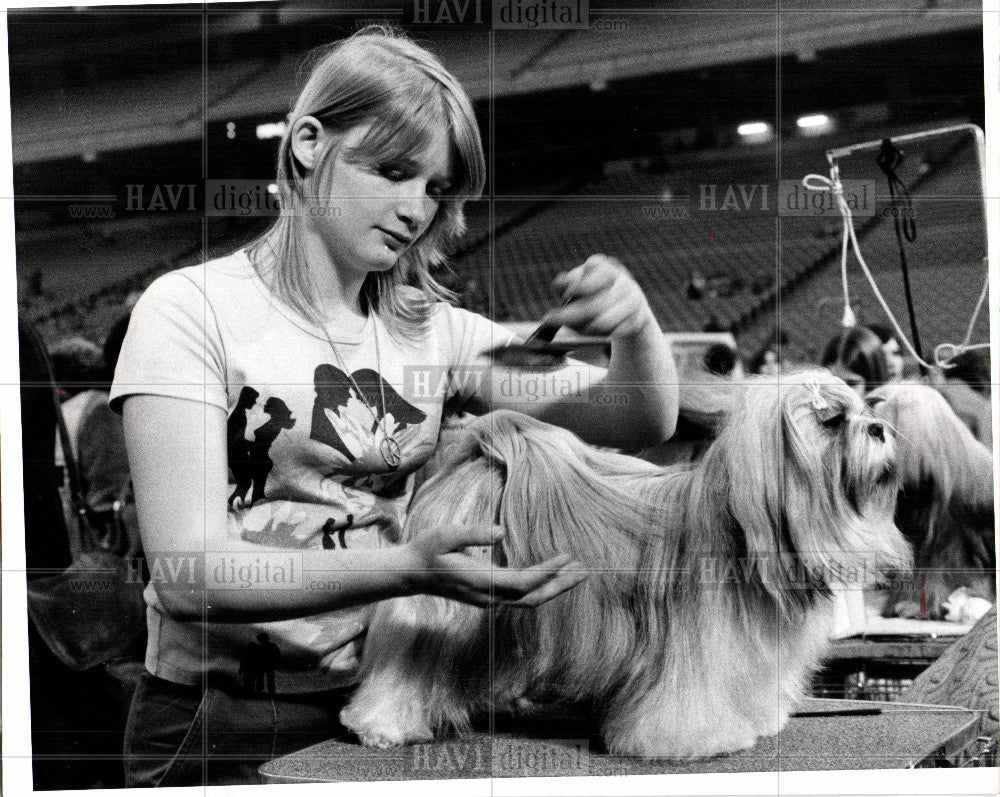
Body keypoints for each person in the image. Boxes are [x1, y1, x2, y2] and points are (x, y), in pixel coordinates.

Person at [111, 27, 678, 787]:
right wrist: (409, 568)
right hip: (220, 718)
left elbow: (637, 417)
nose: (416, 208)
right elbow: (188, 573)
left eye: (437, 188)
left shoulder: (435, 328)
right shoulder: (187, 309)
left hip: (388, 701)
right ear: (309, 143)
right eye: (393, 170)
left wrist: (637, 327)